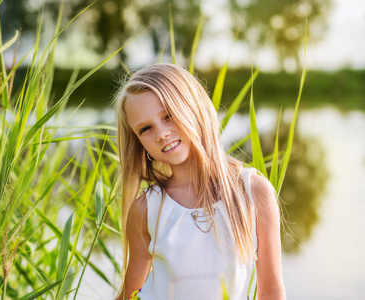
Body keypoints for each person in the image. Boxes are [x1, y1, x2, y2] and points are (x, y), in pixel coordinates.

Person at [113, 63, 285, 300]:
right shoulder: (146, 209)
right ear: (139, 143)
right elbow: (129, 293)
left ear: (194, 110)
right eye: (146, 129)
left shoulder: (252, 191)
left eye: (169, 116)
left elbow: (271, 292)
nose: (162, 133)